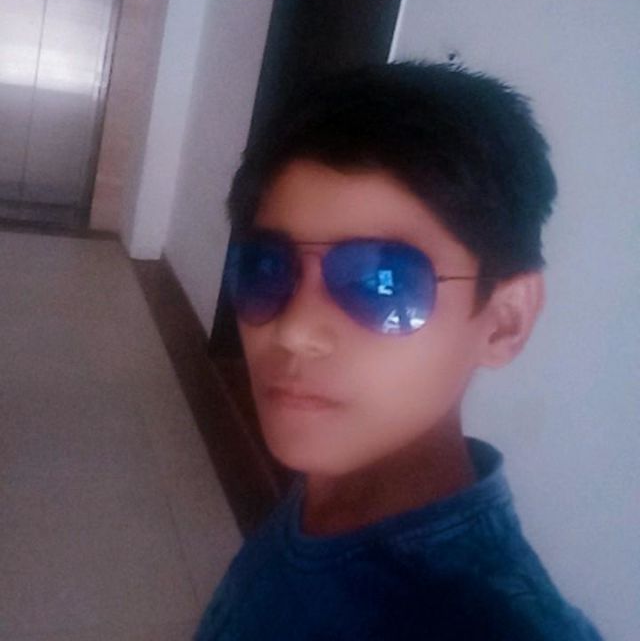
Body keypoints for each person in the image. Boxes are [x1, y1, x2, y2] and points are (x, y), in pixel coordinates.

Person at [194, 60, 603, 640]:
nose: (294, 329)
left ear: (503, 321)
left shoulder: (495, 624)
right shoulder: (329, 492)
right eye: (266, 267)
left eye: (381, 282)